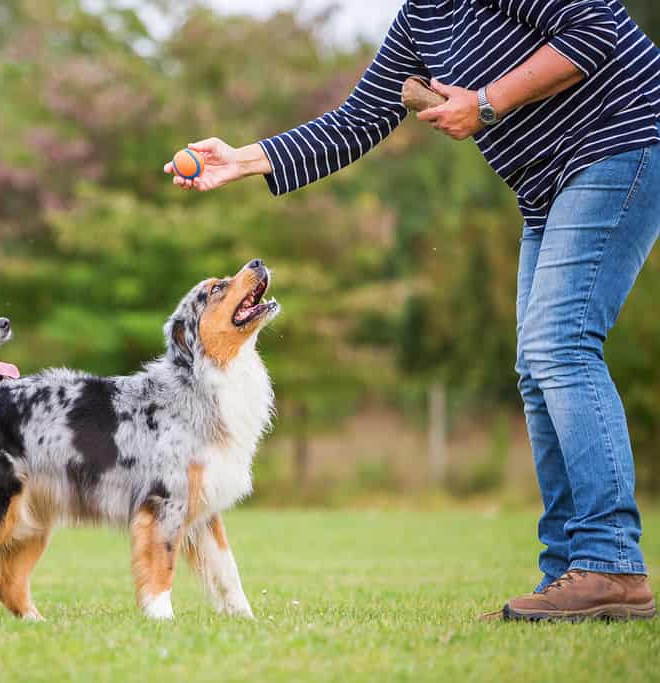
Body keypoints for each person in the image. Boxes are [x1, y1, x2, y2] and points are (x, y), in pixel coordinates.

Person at [165, 0, 660, 622]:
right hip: (549, 185)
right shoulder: (424, 17)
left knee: (559, 348)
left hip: (621, 145)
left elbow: (596, 29)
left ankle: (610, 564)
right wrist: (244, 158)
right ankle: (569, 573)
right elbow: (358, 120)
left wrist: (487, 103)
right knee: (537, 368)